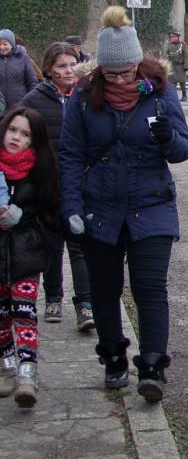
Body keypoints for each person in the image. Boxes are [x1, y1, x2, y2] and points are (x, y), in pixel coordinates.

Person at [59, 6, 188, 402]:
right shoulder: (85, 97)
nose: (120, 79)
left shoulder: (161, 91)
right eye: (112, 73)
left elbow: (183, 151)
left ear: (138, 63)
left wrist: (168, 137)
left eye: (126, 71)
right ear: (100, 69)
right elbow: (69, 155)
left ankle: (152, 367)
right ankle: (114, 356)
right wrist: (70, 207)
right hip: (100, 208)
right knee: (104, 290)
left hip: (151, 205)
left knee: (151, 288)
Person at [21, 42, 94, 331]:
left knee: (79, 246)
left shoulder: (88, 98)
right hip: (48, 185)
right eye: (61, 65)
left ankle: (85, 304)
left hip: (79, 185)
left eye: (72, 64)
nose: (67, 71)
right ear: (49, 69)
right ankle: (53, 297)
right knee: (52, 246)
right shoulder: (34, 100)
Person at [0, 106, 61, 408]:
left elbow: (50, 216)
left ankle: (28, 372)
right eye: (13, 130)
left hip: (26, 252)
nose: (16, 138)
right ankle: (7, 363)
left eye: (24, 134)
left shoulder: (41, 171)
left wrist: (23, 219)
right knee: (0, 314)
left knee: (24, 310)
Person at [0, 29, 37, 108]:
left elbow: (32, 81)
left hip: (20, 105)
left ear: (12, 44)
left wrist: (31, 101)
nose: (2, 47)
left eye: (5, 44)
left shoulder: (23, 58)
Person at [166, 31, 188, 102]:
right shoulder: (169, 45)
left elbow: (187, 56)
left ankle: (184, 95)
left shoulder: (183, 45)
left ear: (177, 37)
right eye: (171, 37)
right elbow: (167, 54)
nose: (172, 38)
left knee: (182, 82)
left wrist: (186, 66)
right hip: (172, 66)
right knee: (171, 82)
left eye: (173, 37)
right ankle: (173, 96)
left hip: (180, 66)